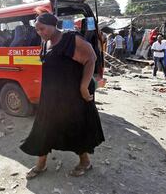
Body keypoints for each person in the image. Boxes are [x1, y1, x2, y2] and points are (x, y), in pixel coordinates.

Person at [20, 11, 105, 179]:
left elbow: (91, 58)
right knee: (43, 128)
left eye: (42, 29)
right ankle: (41, 164)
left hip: (71, 97)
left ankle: (85, 162)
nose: (40, 33)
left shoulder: (69, 39)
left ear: (53, 25)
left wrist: (83, 86)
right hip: (51, 97)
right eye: (37, 30)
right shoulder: (46, 43)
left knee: (74, 128)